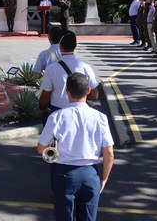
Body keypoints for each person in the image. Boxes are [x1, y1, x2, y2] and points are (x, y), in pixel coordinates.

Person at [37, 73, 114, 221]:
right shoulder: (100, 117)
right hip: (91, 174)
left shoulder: (57, 116)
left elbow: (41, 148)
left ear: (67, 91)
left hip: (64, 174)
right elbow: (109, 153)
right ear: (88, 90)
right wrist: (103, 180)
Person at [39, 31, 100, 116]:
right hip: (80, 111)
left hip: (57, 111)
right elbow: (94, 95)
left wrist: (42, 107)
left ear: (60, 47)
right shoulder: (86, 68)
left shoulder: (51, 68)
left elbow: (45, 96)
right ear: (75, 46)